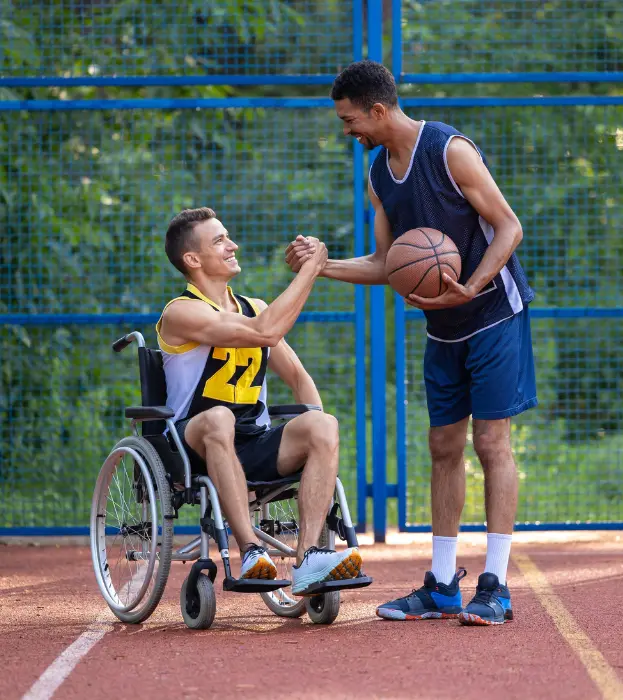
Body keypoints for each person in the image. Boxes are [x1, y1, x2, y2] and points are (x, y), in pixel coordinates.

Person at [286, 61, 537, 624]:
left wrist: (469, 287)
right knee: (443, 447)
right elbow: (385, 262)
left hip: (494, 313)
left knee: (491, 443)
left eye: (351, 121)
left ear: (377, 110)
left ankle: (495, 585)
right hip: (442, 326)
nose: (348, 132)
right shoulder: (378, 174)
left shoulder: (450, 151)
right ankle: (443, 584)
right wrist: (321, 266)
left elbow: (509, 226)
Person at [158, 207, 362, 595]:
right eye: (219, 240)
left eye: (228, 236)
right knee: (219, 417)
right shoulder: (181, 312)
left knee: (324, 424)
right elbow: (264, 333)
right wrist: (309, 271)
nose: (232, 245)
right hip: (193, 443)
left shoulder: (254, 306)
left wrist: (319, 444)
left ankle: (308, 560)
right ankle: (251, 551)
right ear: (193, 259)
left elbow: (299, 378)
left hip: (252, 440)